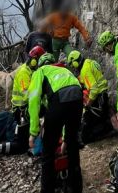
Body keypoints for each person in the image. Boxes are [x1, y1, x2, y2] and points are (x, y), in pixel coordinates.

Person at [28, 53, 83, 193]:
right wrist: (65, 137)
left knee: (48, 151)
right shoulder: (65, 69)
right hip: (78, 97)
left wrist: (33, 132)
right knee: (72, 145)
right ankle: (75, 188)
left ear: (40, 65)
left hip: (59, 100)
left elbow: (33, 100)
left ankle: (47, 190)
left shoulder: (40, 71)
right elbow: (70, 96)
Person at [66, 50, 116, 144]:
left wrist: (88, 104)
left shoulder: (84, 70)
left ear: (75, 62)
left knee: (86, 125)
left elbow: (94, 89)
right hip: (103, 94)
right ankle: (108, 126)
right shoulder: (89, 62)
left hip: (99, 97)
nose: (73, 67)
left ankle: (105, 132)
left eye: (72, 65)